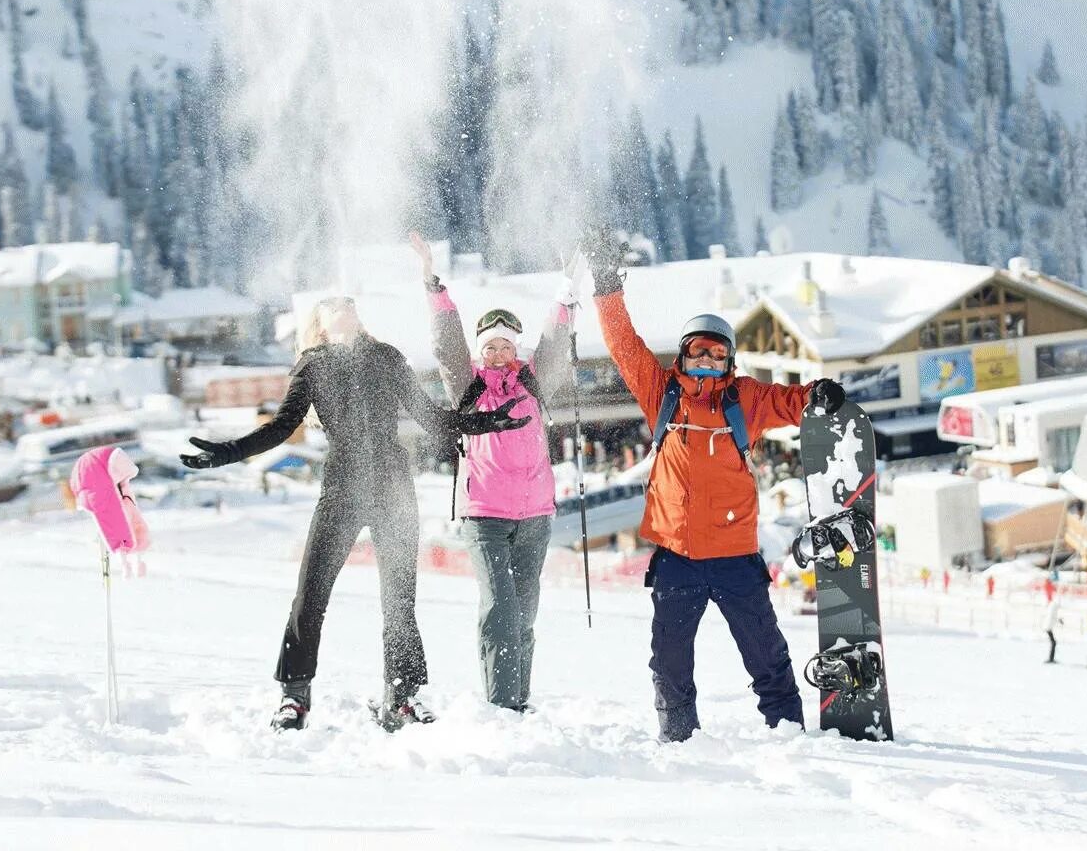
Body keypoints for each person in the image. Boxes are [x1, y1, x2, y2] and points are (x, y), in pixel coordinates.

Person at [180, 295, 528, 731]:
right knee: (311, 592)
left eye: (350, 305)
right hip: (343, 488)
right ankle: (294, 695)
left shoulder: (386, 358)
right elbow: (282, 427)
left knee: (399, 600)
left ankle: (401, 698)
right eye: (333, 307)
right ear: (321, 325)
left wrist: (484, 422)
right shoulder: (314, 364)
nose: (344, 309)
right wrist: (229, 452)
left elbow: (432, 419)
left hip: (393, 487)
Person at [585, 228, 845, 742]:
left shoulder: (744, 399)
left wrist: (818, 394)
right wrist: (606, 289)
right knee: (671, 659)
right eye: (697, 352)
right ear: (682, 357)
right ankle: (679, 738)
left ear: (730, 360)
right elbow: (623, 346)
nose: (706, 361)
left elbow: (789, 401)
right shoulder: (660, 392)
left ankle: (788, 730)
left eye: (716, 353)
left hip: (734, 553)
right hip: (677, 553)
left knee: (765, 652)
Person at [410, 232, 575, 713]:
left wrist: (567, 293)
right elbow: (445, 346)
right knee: (499, 610)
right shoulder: (467, 385)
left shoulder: (533, 382)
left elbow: (555, 343)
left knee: (525, 614)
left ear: (514, 347)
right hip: (484, 513)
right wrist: (432, 285)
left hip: (536, 515)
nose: (497, 352)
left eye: (505, 345)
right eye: (490, 346)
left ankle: (518, 702)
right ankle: (503, 708)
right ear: (481, 350)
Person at [1043, 594, 1061, 664]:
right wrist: (1058, 620)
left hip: (1047, 626)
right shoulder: (1054, 607)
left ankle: (1051, 658)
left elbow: (1052, 617)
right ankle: (1051, 658)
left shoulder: (1052, 606)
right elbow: (1052, 617)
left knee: (1053, 642)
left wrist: (1058, 620)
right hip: (1048, 627)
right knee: (1054, 643)